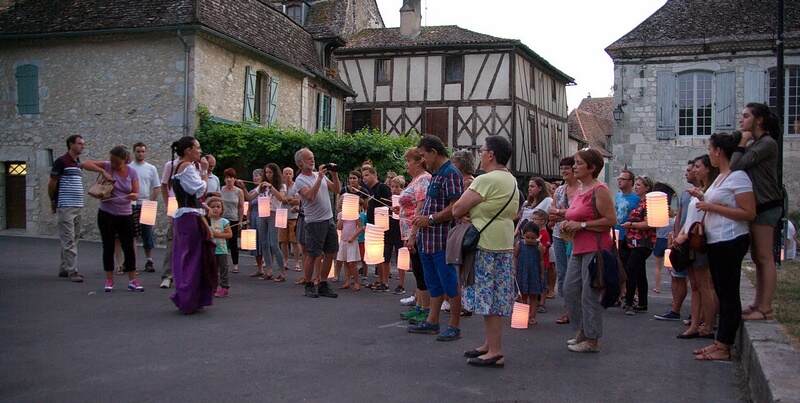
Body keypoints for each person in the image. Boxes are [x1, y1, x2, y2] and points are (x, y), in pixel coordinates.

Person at [453, 135, 519, 366]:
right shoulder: (511, 180)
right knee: (496, 297)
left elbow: (458, 207)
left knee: (486, 297)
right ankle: (490, 344)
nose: (480, 154)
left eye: (482, 150)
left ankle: (495, 350)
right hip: (503, 242)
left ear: (491, 154)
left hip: (485, 243)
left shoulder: (485, 180)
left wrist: (471, 211)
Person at [693, 132, 756, 361]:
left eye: (710, 149)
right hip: (716, 240)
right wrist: (702, 197)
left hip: (730, 239)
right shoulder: (721, 177)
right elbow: (718, 201)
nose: (709, 153)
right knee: (721, 290)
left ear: (719, 151)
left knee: (728, 293)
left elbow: (748, 212)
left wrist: (711, 207)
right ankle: (720, 341)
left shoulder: (738, 177)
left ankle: (724, 344)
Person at [408, 135, 464, 342]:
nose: (423, 160)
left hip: (442, 239)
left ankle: (454, 326)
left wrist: (430, 219)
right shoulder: (438, 174)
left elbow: (456, 207)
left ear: (433, 152)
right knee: (434, 283)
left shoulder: (450, 173)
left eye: (424, 155)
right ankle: (432, 321)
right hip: (429, 239)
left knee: (450, 283)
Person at [561, 149, 617, 353]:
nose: (574, 166)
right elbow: (576, 215)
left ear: (591, 168)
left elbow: (611, 220)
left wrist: (582, 226)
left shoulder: (599, 189)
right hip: (578, 247)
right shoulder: (580, 190)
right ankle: (583, 331)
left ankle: (592, 339)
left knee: (588, 294)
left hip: (596, 247)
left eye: (578, 163)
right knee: (569, 290)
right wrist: (567, 222)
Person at [732, 103, 782, 321]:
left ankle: (766, 308)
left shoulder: (767, 144)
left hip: (767, 203)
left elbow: (736, 165)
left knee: (764, 256)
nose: (741, 120)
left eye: (745, 116)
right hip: (757, 204)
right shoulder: (758, 143)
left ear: (758, 120)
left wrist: (742, 143)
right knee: (757, 257)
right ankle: (757, 303)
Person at [49, 135, 108, 283]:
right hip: (66, 205)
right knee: (68, 239)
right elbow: (52, 183)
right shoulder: (61, 162)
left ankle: (64, 268)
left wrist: (102, 171)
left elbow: (88, 165)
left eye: (83, 144)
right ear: (70, 144)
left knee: (74, 238)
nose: (82, 146)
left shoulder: (77, 162)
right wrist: (53, 200)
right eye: (79, 144)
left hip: (77, 205)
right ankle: (72, 271)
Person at [673, 155, 719, 339]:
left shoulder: (711, 191)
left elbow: (707, 215)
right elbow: (689, 217)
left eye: (698, 166)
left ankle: (707, 324)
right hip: (689, 239)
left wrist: (684, 235)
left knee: (704, 285)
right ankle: (695, 324)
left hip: (699, 240)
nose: (694, 170)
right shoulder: (700, 190)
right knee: (696, 286)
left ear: (708, 169)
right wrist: (680, 236)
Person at [169, 136, 216, 314]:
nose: (200, 151)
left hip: (186, 215)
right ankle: (189, 299)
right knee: (193, 258)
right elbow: (199, 189)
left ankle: (194, 297)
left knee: (189, 257)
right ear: (188, 150)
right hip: (189, 218)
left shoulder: (178, 166)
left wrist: (202, 205)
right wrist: (204, 171)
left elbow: (190, 195)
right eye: (197, 148)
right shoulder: (187, 167)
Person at [93, 146, 143, 292]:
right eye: (112, 160)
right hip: (106, 213)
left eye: (117, 162)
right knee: (107, 246)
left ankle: (133, 280)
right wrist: (103, 171)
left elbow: (136, 192)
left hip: (125, 214)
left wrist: (133, 195)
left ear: (124, 160)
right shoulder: (108, 166)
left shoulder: (132, 172)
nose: (113, 164)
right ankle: (109, 280)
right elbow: (86, 163)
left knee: (129, 248)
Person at [294, 148, 341, 298]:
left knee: (331, 251)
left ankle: (323, 283)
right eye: (309, 158)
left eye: (313, 157)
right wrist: (320, 178)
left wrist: (334, 174)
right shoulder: (300, 180)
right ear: (300, 163)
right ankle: (308, 284)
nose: (312, 161)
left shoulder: (316, 174)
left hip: (328, 219)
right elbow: (310, 197)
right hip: (314, 222)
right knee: (313, 254)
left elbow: (336, 189)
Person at [654, 160, 695, 321]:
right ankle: (675, 309)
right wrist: (675, 234)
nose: (686, 173)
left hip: (693, 239)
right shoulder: (685, 193)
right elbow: (680, 216)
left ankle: (697, 315)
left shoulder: (704, 192)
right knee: (676, 275)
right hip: (679, 239)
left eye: (691, 169)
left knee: (696, 280)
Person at [397, 147, 432, 324]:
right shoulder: (415, 180)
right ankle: (419, 305)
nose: (407, 165)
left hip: (416, 232)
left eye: (409, 161)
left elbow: (421, 207)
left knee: (420, 270)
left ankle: (425, 309)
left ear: (418, 162)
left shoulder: (424, 179)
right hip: (409, 230)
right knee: (417, 270)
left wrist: (413, 234)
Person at [549, 156, 579, 324]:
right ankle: (567, 308)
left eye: (567, 168)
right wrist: (561, 213)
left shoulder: (581, 190)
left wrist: (560, 212)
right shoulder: (560, 190)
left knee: (573, 273)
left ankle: (576, 308)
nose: (564, 171)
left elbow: (577, 213)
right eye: (562, 169)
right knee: (562, 272)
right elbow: (551, 211)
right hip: (559, 234)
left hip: (575, 235)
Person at [620, 176, 656, 315]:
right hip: (635, 241)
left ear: (647, 188)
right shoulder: (641, 202)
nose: (636, 187)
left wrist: (632, 224)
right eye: (636, 185)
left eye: (639, 185)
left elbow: (649, 223)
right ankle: (642, 303)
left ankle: (629, 302)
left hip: (643, 242)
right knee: (640, 272)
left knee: (631, 270)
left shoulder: (647, 203)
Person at [130, 142, 161, 272]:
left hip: (146, 204)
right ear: (134, 152)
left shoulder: (151, 168)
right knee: (132, 234)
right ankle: (132, 262)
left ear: (145, 152)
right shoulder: (129, 167)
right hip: (131, 204)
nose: (140, 154)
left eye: (143, 151)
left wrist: (150, 201)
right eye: (138, 151)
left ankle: (149, 260)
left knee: (147, 234)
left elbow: (157, 187)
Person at [362, 165, 392, 292]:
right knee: (377, 254)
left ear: (375, 175)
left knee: (383, 255)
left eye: (367, 175)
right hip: (373, 226)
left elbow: (389, 204)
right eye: (363, 176)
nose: (364, 178)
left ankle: (384, 281)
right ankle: (380, 279)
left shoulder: (382, 187)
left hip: (382, 226)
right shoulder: (369, 190)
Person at [257, 163, 287, 281]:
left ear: (275, 173)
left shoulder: (281, 186)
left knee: (273, 243)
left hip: (274, 213)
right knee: (263, 243)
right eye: (266, 172)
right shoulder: (261, 186)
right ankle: (268, 270)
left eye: (270, 172)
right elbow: (250, 196)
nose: (268, 175)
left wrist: (271, 187)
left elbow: (281, 198)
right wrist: (243, 188)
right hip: (262, 214)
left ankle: (282, 271)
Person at [514, 221, 545, 326]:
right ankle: (522, 316)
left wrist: (541, 273)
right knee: (522, 295)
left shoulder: (539, 246)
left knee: (533, 296)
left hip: (534, 273)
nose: (530, 240)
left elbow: (541, 260)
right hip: (522, 272)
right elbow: (515, 257)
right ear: (523, 235)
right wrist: (514, 268)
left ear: (537, 236)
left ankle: (532, 316)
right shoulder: (519, 244)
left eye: (533, 238)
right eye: (527, 237)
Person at [615, 168, 640, 272]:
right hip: (617, 234)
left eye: (623, 179)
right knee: (617, 264)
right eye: (618, 179)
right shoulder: (617, 196)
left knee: (629, 266)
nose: (619, 181)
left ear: (630, 182)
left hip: (629, 235)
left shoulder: (637, 198)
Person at [207, 197, 232, 298]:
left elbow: (229, 234)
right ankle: (213, 287)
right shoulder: (207, 221)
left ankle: (224, 287)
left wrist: (217, 234)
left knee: (223, 269)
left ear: (222, 209)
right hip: (210, 250)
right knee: (212, 270)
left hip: (221, 250)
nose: (215, 209)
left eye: (218, 207)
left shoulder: (224, 221)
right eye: (212, 207)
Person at [221, 168, 244, 274]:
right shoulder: (221, 190)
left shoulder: (239, 191)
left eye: (231, 177)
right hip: (222, 219)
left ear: (234, 179)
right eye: (227, 178)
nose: (229, 180)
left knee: (233, 242)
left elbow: (241, 207)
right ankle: (222, 263)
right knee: (221, 242)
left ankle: (235, 264)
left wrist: (240, 220)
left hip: (234, 219)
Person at [242, 168, 265, 277]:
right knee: (255, 243)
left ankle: (267, 266)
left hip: (264, 217)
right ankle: (259, 267)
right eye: (254, 176)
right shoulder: (252, 192)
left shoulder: (266, 190)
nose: (255, 178)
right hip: (254, 216)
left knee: (264, 241)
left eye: (258, 175)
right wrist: (248, 221)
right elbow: (249, 208)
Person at [336, 202, 363, 291]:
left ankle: (356, 282)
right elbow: (339, 227)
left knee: (352, 263)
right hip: (344, 240)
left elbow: (361, 227)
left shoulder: (355, 214)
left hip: (352, 241)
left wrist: (353, 236)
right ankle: (347, 281)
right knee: (345, 262)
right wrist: (342, 219)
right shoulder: (342, 214)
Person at [280, 167, 302, 272]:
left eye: (290, 173)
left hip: (293, 217)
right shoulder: (281, 186)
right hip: (282, 215)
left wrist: (288, 200)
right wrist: (290, 199)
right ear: (283, 175)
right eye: (286, 173)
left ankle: (297, 262)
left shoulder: (296, 186)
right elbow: (282, 199)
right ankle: (285, 260)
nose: (288, 175)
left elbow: (298, 201)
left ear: (293, 175)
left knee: (295, 241)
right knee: (283, 241)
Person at [531, 210, 552, 310]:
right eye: (532, 219)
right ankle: (535, 301)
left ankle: (542, 302)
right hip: (534, 261)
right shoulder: (534, 233)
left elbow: (544, 249)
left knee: (543, 282)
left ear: (543, 221)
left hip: (543, 262)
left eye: (535, 219)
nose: (533, 221)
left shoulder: (544, 234)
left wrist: (536, 244)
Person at [389, 175, 406, 294]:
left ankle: (401, 283)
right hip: (392, 226)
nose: (394, 189)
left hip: (402, 227)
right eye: (392, 187)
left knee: (402, 254)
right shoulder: (391, 198)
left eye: (397, 187)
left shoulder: (405, 197)